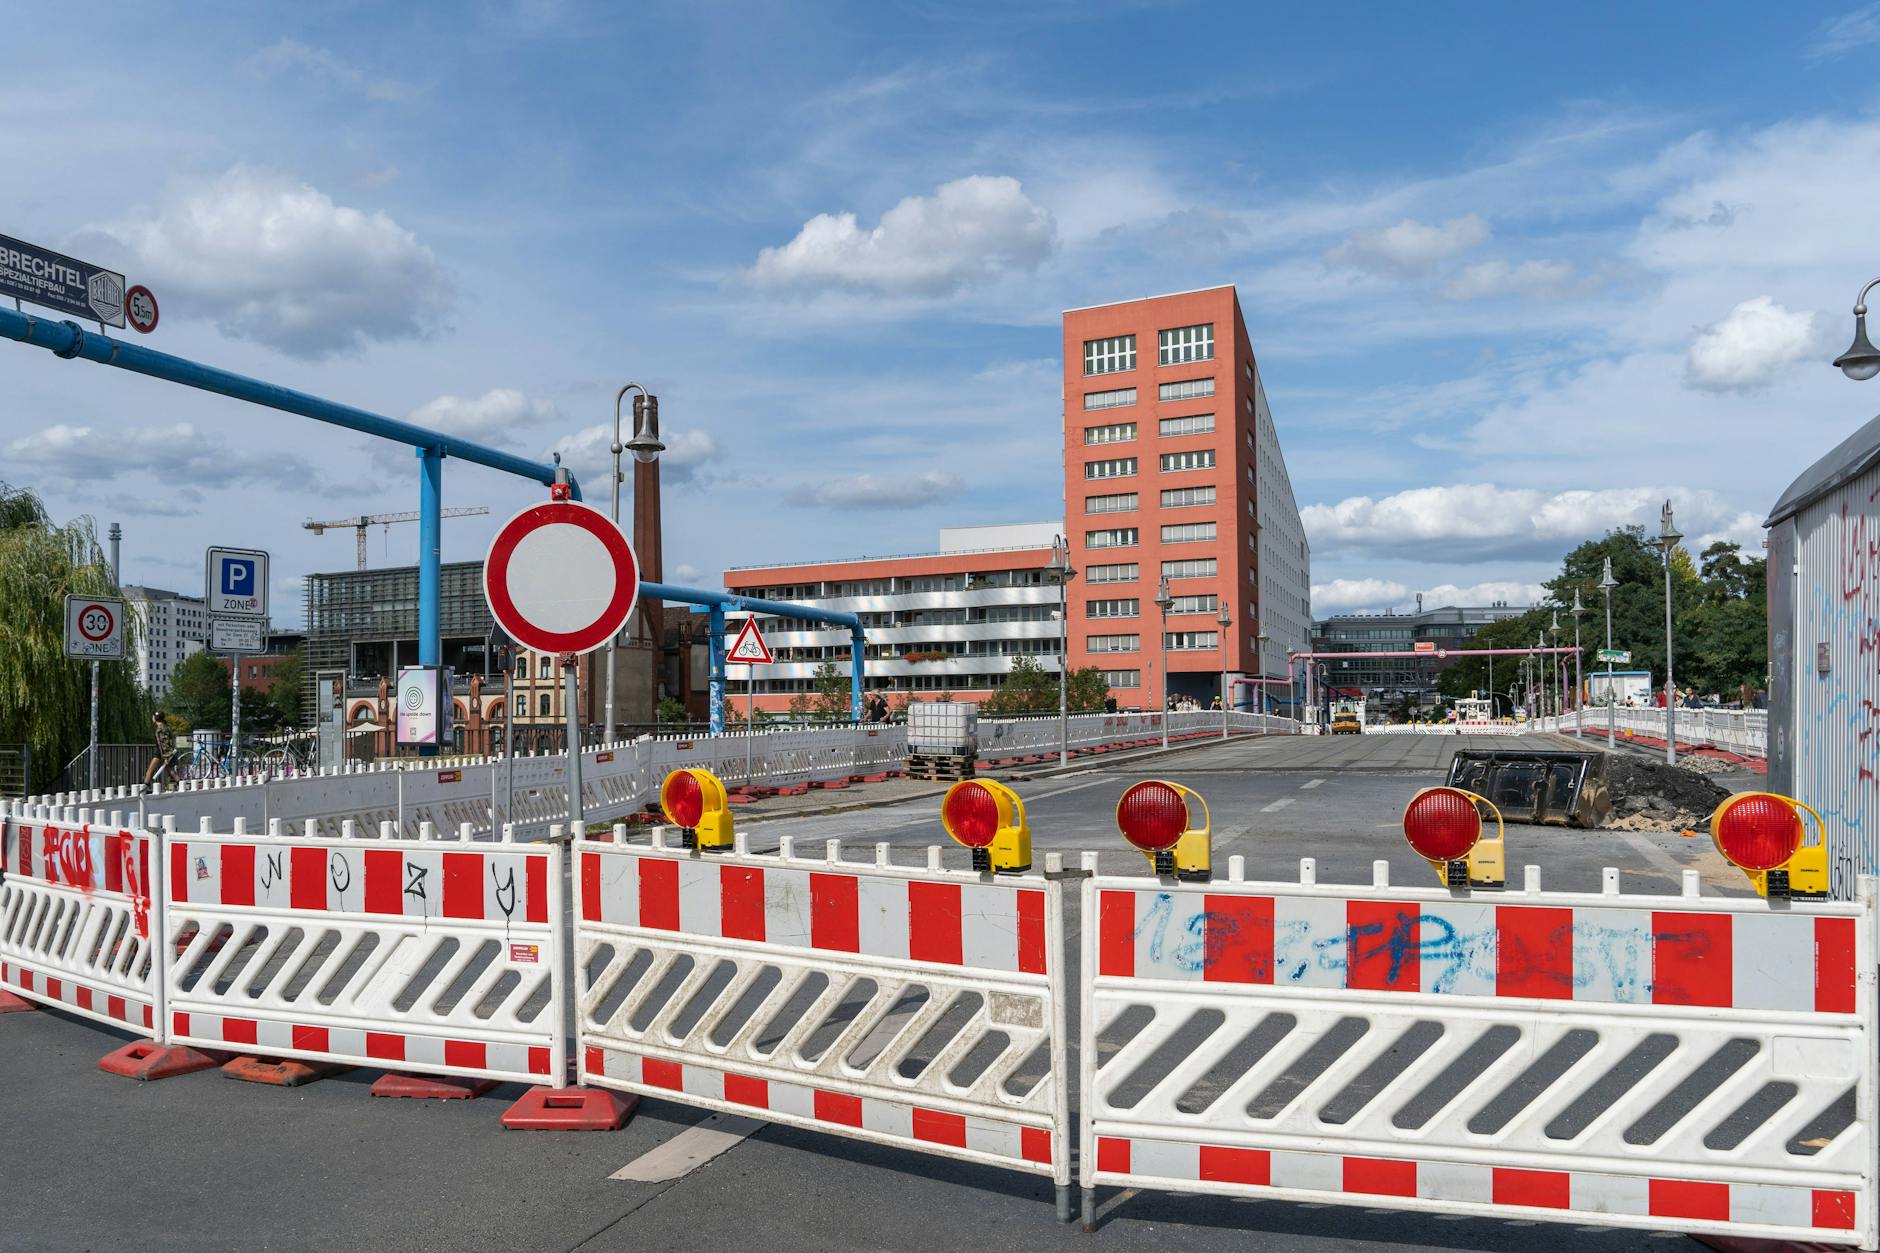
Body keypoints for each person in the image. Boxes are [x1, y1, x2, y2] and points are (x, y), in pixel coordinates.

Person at [143, 711, 182, 787]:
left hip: (161, 752)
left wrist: (166, 756)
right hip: (164, 752)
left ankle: (144, 787)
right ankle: (181, 784)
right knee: (170, 770)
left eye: (153, 717)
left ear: (155, 718)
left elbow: (164, 744)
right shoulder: (165, 726)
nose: (152, 718)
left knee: (150, 770)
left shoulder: (161, 729)